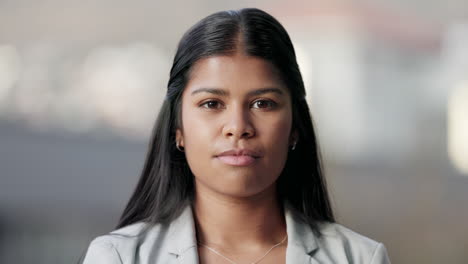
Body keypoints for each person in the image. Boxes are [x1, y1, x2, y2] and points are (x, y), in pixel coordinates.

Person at [82, 8, 391, 264]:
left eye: (263, 103)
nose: (238, 126)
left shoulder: (359, 258)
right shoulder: (119, 257)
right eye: (211, 104)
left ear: (295, 127)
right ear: (178, 130)